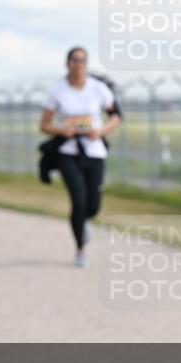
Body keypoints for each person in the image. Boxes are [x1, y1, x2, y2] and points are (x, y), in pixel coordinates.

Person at [39, 46, 122, 267]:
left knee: (93, 205)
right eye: (75, 60)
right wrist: (61, 130)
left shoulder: (98, 89)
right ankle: (80, 248)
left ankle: (85, 221)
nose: (79, 64)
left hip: (94, 150)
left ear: (87, 64)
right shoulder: (58, 92)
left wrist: (101, 131)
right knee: (78, 199)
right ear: (68, 64)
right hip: (69, 150)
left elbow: (116, 116)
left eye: (82, 60)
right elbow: (44, 125)